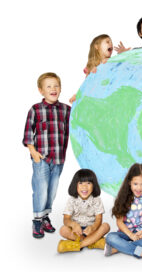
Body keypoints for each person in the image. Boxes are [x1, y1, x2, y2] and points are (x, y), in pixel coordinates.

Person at [23, 72, 71, 239]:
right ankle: (37, 219)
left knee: (52, 190)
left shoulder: (66, 110)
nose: (53, 89)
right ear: (41, 90)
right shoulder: (35, 109)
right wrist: (33, 152)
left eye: (56, 86)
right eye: (49, 86)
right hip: (41, 158)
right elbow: (29, 133)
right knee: (41, 190)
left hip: (58, 159)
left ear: (60, 89)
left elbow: (79, 122)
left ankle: (45, 216)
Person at [104, 163, 142, 262]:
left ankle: (118, 248)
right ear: (130, 182)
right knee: (110, 237)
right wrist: (131, 235)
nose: (139, 188)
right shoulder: (124, 198)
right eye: (135, 184)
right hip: (126, 234)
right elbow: (119, 222)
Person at [57, 169, 110, 253]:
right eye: (80, 183)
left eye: (88, 183)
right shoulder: (72, 200)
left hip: (91, 230)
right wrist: (73, 224)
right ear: (75, 185)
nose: (84, 187)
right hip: (77, 231)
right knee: (63, 230)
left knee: (106, 226)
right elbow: (66, 219)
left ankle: (78, 245)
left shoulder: (96, 200)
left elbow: (99, 219)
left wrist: (93, 227)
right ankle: (92, 242)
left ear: (94, 185)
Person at [69, 34, 113, 103]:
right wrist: (78, 95)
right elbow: (87, 85)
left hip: (109, 96)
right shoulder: (90, 67)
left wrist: (123, 53)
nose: (111, 44)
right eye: (107, 42)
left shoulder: (113, 62)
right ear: (97, 46)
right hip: (97, 98)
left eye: (111, 42)